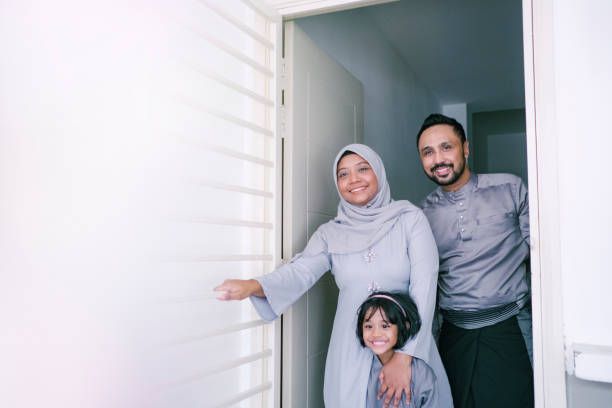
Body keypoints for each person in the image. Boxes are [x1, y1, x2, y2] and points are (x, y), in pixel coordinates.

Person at [215, 144, 452, 408]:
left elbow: (426, 285)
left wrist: (405, 356)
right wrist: (253, 286)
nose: (353, 180)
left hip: (408, 342)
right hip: (351, 348)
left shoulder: (410, 220)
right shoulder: (330, 233)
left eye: (363, 169)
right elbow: (301, 271)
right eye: (343, 174)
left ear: (379, 173)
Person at [416, 113, 533, 408]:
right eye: (428, 152)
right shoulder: (421, 215)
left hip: (511, 328)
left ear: (465, 149)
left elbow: (545, 251)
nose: (438, 159)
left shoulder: (509, 188)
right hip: (454, 336)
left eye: (447, 147)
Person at [357, 291, 438, 408]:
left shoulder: (421, 373)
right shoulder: (363, 368)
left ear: (404, 326)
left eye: (385, 326)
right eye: (369, 326)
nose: (376, 334)